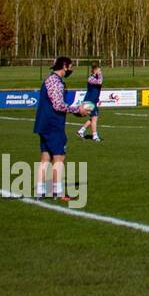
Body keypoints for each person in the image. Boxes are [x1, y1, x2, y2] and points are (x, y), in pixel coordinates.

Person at [32, 56, 90, 201]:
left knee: (46, 156)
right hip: (52, 124)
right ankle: (58, 192)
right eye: (71, 66)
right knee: (59, 156)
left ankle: (40, 191)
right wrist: (77, 109)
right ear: (64, 66)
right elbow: (58, 105)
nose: (72, 69)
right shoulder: (55, 82)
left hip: (45, 123)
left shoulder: (50, 80)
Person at [76, 63, 103, 142]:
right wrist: (100, 75)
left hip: (93, 101)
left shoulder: (96, 77)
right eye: (99, 70)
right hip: (89, 101)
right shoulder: (91, 78)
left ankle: (81, 130)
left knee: (93, 118)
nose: (100, 71)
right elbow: (100, 82)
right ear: (95, 70)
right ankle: (95, 136)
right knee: (95, 118)